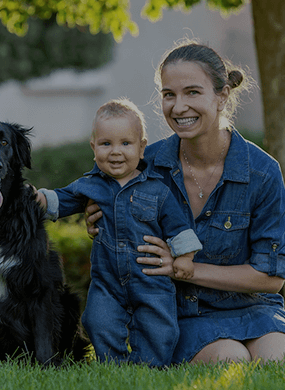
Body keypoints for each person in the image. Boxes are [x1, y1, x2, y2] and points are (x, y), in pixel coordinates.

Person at [85, 40, 285, 364]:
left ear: (221, 96)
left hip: (251, 307)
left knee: (284, 360)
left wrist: (183, 268)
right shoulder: (144, 162)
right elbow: (97, 196)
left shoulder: (262, 171)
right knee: (231, 359)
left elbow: (271, 277)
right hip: (177, 312)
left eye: (192, 92)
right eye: (169, 94)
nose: (178, 106)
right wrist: (96, 216)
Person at [36, 98, 202, 367]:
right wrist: (40, 199)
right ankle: (114, 366)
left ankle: (149, 368)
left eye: (126, 144)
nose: (115, 152)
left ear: (141, 147)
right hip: (107, 282)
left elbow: (179, 226)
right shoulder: (90, 186)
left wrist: (185, 257)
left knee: (160, 329)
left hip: (151, 282)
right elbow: (61, 199)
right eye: (106, 144)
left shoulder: (158, 190)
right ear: (93, 147)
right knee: (96, 319)